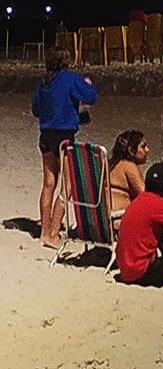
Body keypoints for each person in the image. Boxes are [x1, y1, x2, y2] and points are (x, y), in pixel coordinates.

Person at [31, 48, 97, 248]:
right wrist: (88, 85)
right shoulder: (69, 79)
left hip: (45, 136)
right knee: (68, 185)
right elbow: (91, 98)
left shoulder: (43, 83)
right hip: (64, 136)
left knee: (48, 183)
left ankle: (44, 230)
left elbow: (35, 109)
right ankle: (52, 231)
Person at [108, 129, 150, 213]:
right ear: (131, 150)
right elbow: (145, 195)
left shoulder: (108, 165)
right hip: (119, 218)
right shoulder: (128, 165)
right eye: (143, 146)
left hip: (103, 217)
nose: (147, 150)